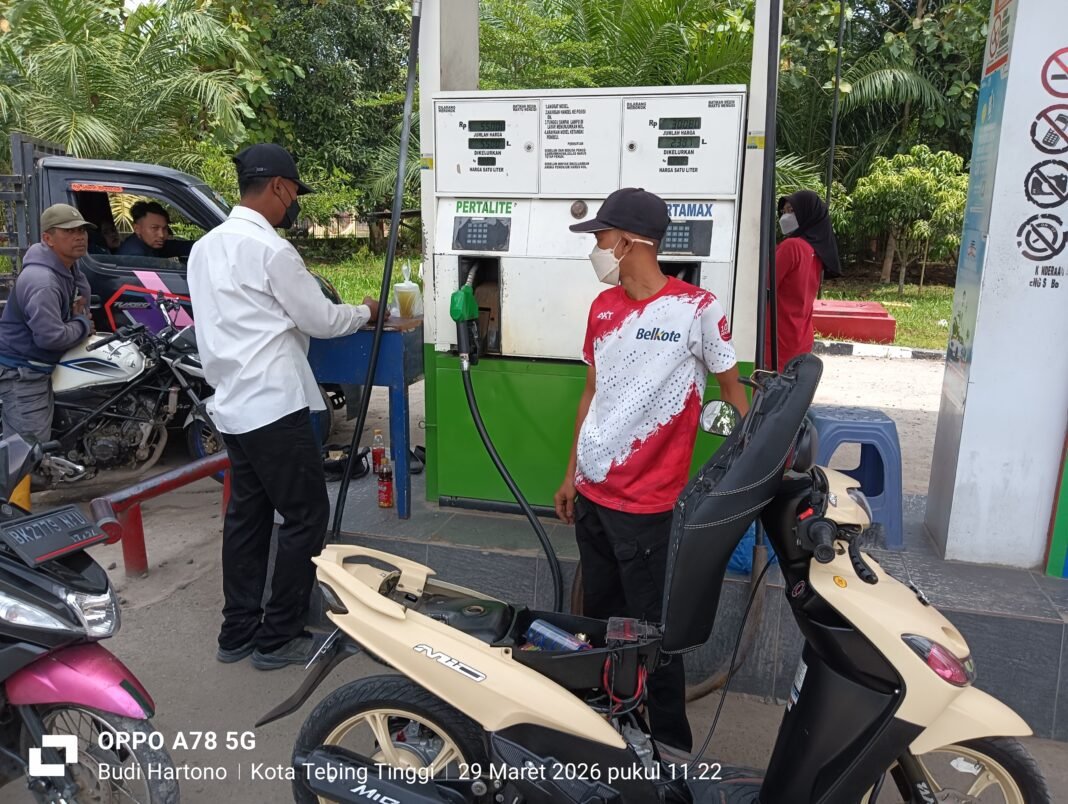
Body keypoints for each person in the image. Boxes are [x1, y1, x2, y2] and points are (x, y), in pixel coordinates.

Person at [554, 187, 750, 752]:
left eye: (601, 235)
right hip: (593, 495)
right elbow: (591, 393)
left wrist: (772, 461)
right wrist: (572, 475)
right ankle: (614, 735)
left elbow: (734, 396)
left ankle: (670, 753)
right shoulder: (603, 308)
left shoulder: (698, 309)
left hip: (648, 511)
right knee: (602, 628)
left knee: (651, 640)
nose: (596, 245)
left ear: (631, 240)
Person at [188, 143, 386, 671]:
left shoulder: (204, 248)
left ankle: (237, 633)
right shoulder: (272, 250)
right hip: (275, 406)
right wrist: (364, 311)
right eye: (295, 192)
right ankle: (277, 638)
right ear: (278, 187)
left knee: (247, 518)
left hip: (231, 405)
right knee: (305, 515)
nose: (294, 202)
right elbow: (319, 318)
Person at [0, 204, 95, 442]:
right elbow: (50, 336)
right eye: (69, 231)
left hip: (41, 365)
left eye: (82, 231)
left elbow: (78, 308)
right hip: (22, 372)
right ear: (48, 238)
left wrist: (76, 319)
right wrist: (82, 324)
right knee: (27, 451)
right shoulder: (43, 282)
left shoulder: (71, 270)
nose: (79, 237)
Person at [765, 190, 842, 372]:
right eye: (783, 212)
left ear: (807, 213)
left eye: (791, 210)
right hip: (800, 336)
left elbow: (764, 285)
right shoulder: (815, 252)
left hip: (776, 337)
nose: (785, 217)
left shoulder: (791, 247)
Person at [116, 201, 193, 259]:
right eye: (154, 228)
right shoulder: (134, 256)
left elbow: (179, 247)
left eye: (165, 228)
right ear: (137, 229)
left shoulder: (150, 244)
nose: (161, 235)